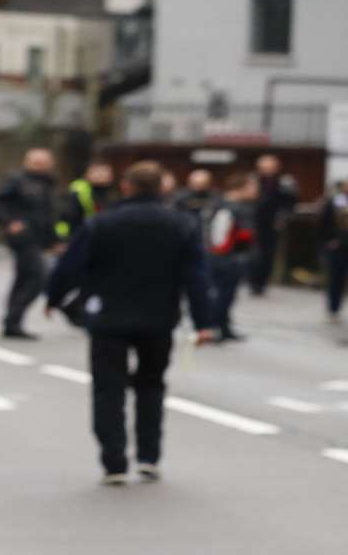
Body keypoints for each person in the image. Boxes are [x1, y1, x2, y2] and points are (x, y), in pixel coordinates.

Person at [46, 161, 216, 485]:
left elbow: (71, 265)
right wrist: (203, 321)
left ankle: (114, 461)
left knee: (108, 388)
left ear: (126, 186)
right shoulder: (181, 225)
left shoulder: (102, 224)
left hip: (108, 317)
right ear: (163, 188)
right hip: (159, 318)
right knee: (151, 386)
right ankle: (149, 456)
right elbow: (196, 276)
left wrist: (54, 298)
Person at [0, 148, 61, 340]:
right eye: (35, 161)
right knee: (37, 277)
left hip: (39, 239)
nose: (39, 165)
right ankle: (13, 320)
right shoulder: (17, 181)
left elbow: (47, 216)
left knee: (24, 278)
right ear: (26, 162)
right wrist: (8, 222)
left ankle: (12, 322)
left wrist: (54, 241)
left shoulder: (48, 183)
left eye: (43, 162)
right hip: (23, 239)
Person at [204, 173, 257, 341]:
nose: (256, 190)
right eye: (252, 186)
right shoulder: (232, 207)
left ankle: (223, 325)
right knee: (222, 294)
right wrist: (234, 254)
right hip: (226, 257)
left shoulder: (221, 204)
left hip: (224, 256)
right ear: (242, 187)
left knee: (227, 294)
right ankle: (214, 327)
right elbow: (226, 235)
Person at [248, 154, 298, 296]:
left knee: (268, 254)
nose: (266, 170)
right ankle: (253, 282)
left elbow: (290, 202)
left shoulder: (284, 182)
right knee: (253, 254)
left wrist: (282, 217)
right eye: (264, 167)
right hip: (254, 223)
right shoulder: (253, 180)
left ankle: (262, 283)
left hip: (272, 224)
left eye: (269, 167)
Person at [57, 159, 116, 243]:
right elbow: (66, 217)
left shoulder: (112, 192)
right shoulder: (78, 190)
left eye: (105, 172)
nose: (102, 175)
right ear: (87, 174)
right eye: (97, 172)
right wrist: (64, 239)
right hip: (80, 237)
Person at [318, 179, 348, 322]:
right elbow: (323, 223)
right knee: (336, 278)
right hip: (338, 248)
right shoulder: (335, 201)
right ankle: (333, 308)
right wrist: (328, 241)